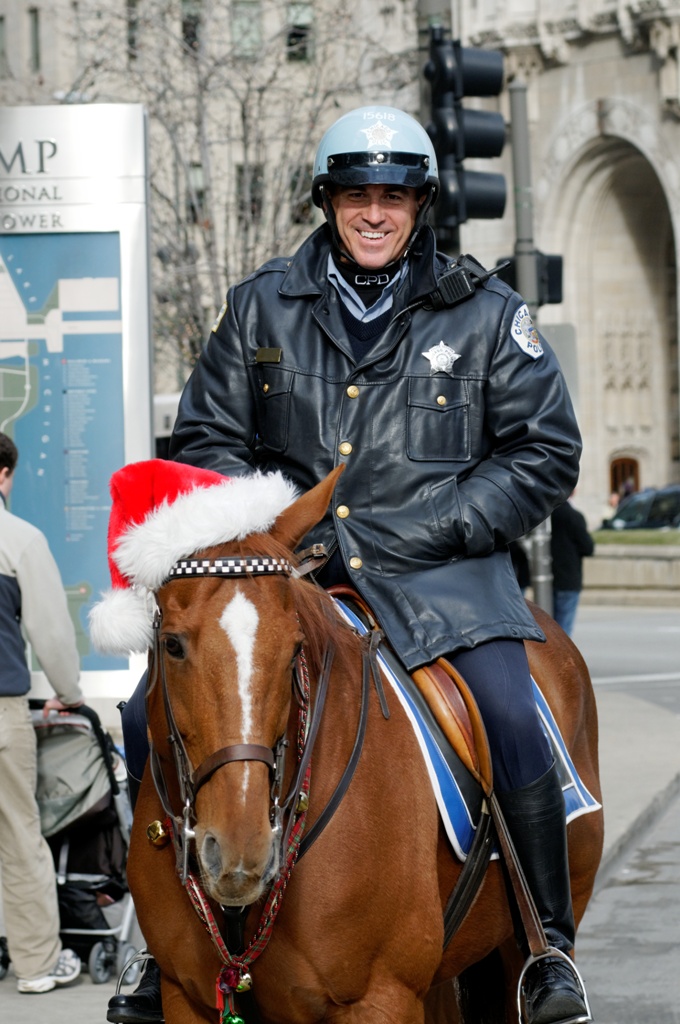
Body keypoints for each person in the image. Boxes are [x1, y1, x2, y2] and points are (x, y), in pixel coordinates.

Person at [103, 106, 590, 1024]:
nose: (376, 213)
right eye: (358, 195)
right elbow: (206, 439)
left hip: (445, 582)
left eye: (395, 196)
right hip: (289, 576)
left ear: (421, 205)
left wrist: (438, 521)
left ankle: (545, 948)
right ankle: (152, 937)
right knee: (143, 712)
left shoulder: (488, 312)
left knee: (513, 716)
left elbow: (542, 454)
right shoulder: (259, 305)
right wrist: (265, 533)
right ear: (327, 202)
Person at [0, 432, 83, 994]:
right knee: (16, 834)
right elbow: (51, 634)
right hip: (1, 713)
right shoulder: (18, 539)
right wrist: (69, 692)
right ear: (4, 475)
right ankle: (35, 965)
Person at [551, 496, 594, 636]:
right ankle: (558, 658)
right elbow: (588, 547)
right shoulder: (573, 516)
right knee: (564, 630)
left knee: (550, 627)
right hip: (568, 578)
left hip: (548, 578)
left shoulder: (545, 517)